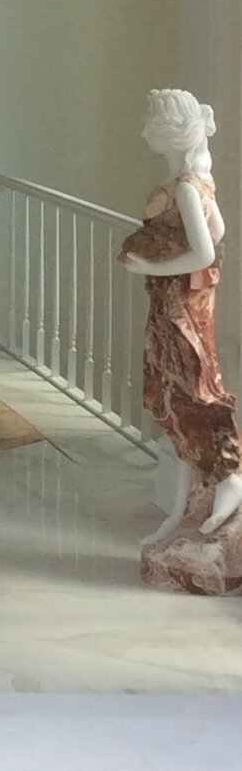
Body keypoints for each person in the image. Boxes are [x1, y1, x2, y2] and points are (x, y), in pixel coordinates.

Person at [119, 87, 241, 543]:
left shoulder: (188, 188)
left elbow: (207, 252)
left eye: (152, 123)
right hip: (172, 305)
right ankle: (185, 507)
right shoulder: (191, 183)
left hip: (182, 309)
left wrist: (152, 266)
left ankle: (229, 478)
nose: (146, 130)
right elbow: (220, 230)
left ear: (171, 132)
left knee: (193, 392)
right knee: (170, 398)